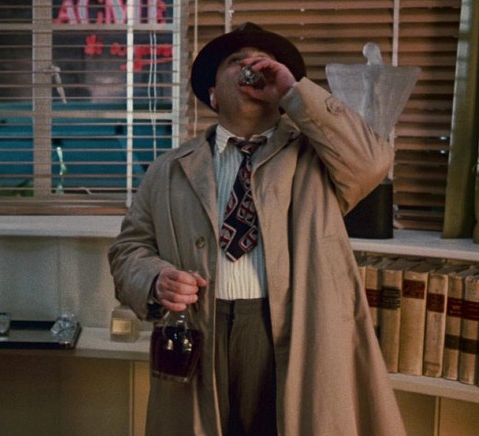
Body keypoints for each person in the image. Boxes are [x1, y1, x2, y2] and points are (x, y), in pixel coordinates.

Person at [108, 22, 406, 435]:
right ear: (213, 94)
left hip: (294, 332)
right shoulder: (168, 169)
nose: (252, 66)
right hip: (200, 330)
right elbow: (128, 250)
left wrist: (294, 91)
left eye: (264, 62)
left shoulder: (320, 160)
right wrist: (155, 279)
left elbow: (373, 161)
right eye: (235, 61)